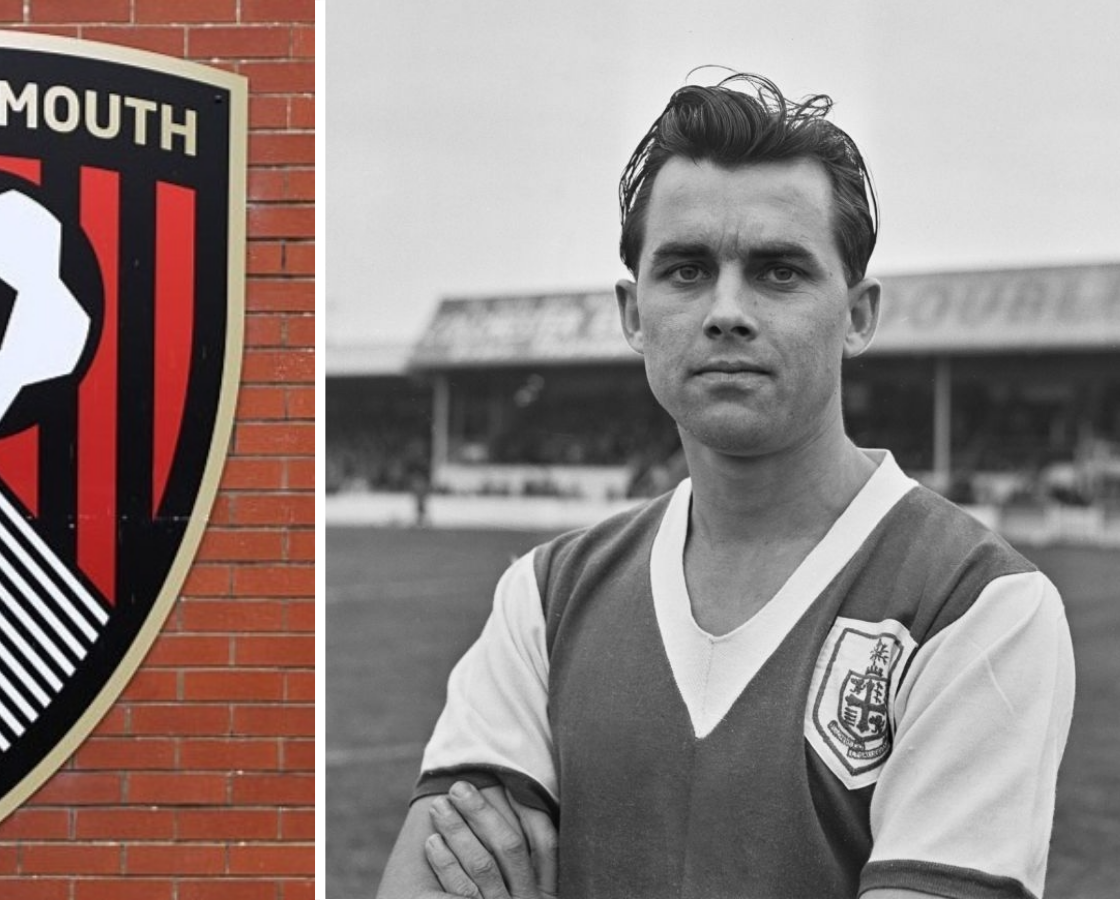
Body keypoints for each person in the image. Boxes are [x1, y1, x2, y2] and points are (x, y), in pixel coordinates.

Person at [376, 73, 1076, 899]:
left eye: (779, 272)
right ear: (633, 314)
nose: (726, 310)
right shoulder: (546, 598)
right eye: (686, 270)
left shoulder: (976, 609)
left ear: (858, 314)